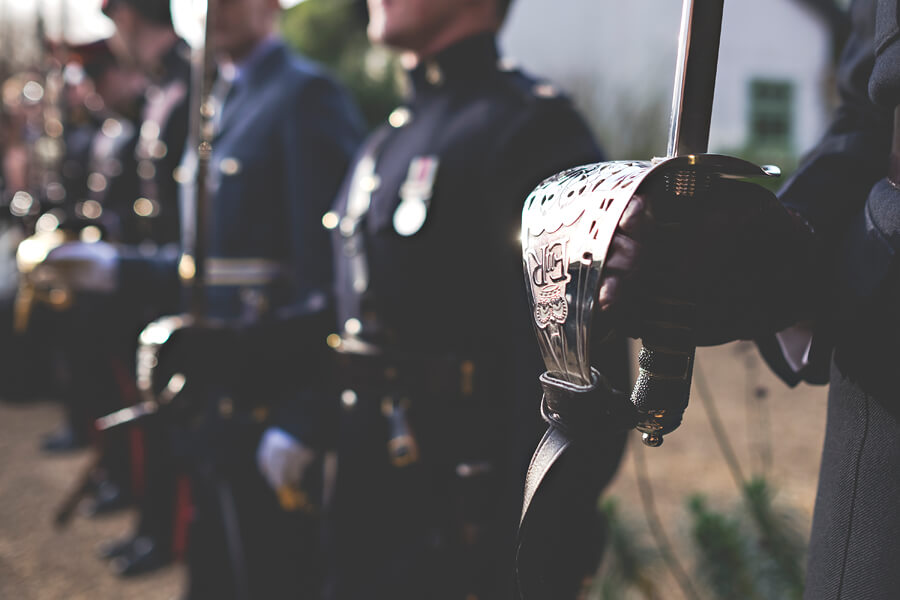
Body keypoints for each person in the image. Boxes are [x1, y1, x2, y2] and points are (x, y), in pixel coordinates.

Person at [253, 0, 629, 597]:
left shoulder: (530, 128)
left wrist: (530, 551)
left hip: (465, 533)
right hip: (368, 518)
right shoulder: (385, 142)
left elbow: (584, 381)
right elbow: (357, 321)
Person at [105, 0, 364, 597]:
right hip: (214, 396)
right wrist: (114, 268)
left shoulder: (304, 96)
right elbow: (206, 267)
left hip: (270, 402)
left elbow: (333, 282)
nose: (216, 8)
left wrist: (306, 416)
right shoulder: (220, 99)